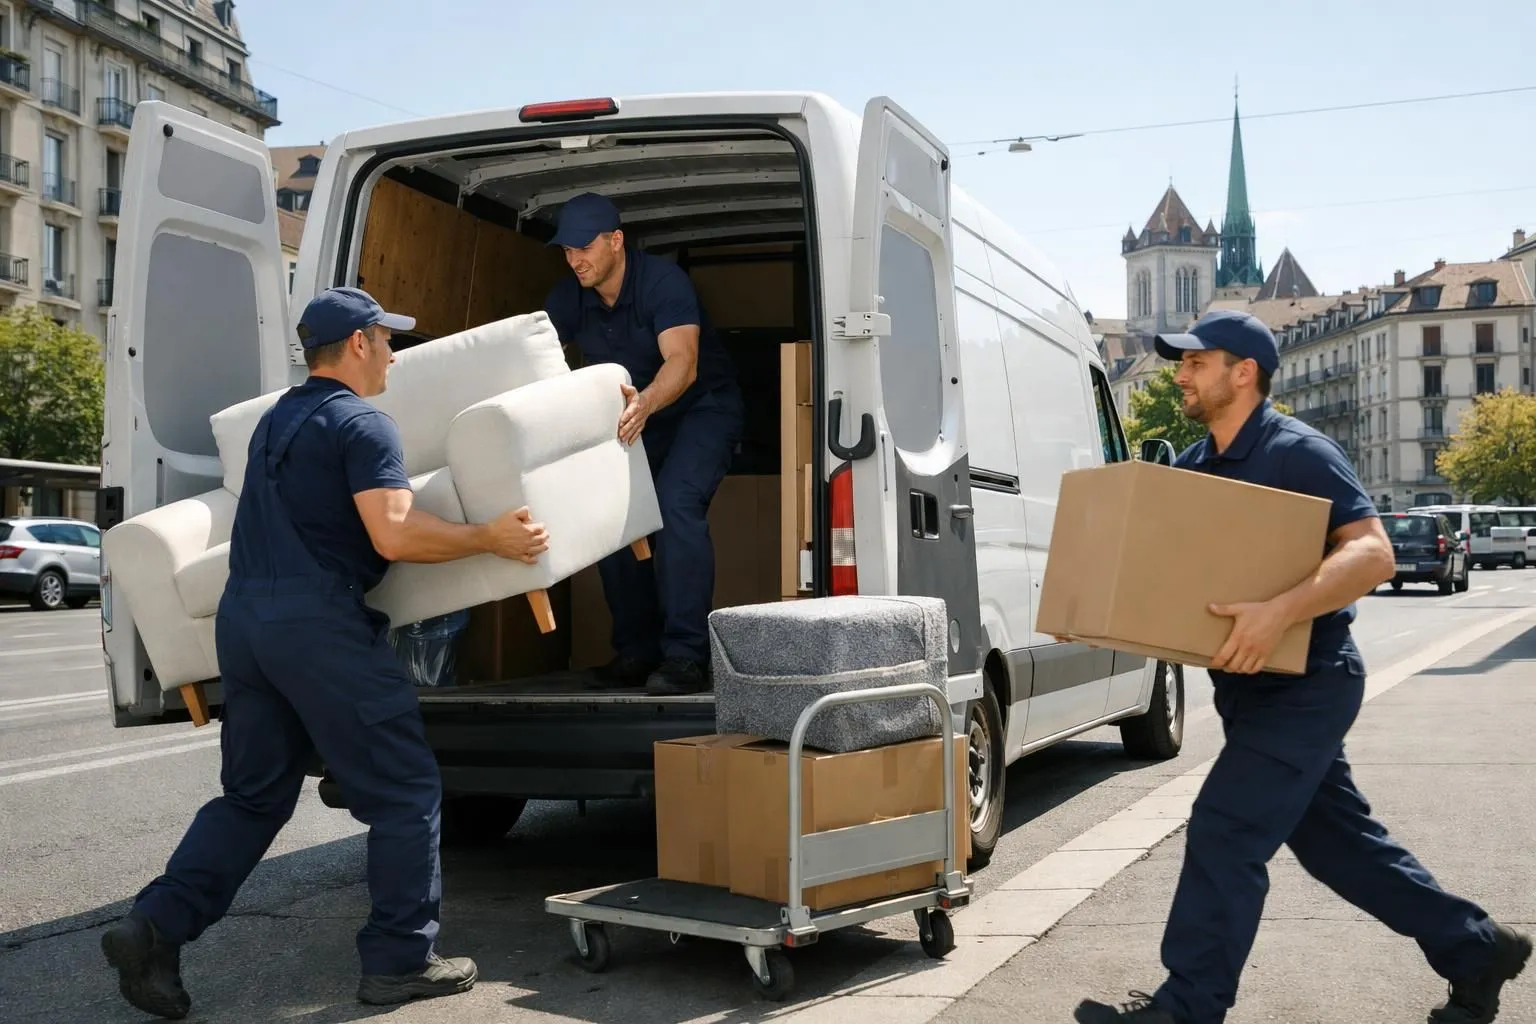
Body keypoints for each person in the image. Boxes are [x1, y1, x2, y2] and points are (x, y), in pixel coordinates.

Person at [100, 287, 551, 1020]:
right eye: (387, 340)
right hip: (317, 624)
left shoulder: (278, 420)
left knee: (253, 796)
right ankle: (401, 960)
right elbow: (395, 534)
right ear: (360, 343)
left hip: (246, 623)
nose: (395, 356)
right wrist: (488, 537)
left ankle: (153, 927)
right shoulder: (364, 422)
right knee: (406, 790)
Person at [1075, 309, 1530, 1024]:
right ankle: (1477, 948)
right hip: (1249, 695)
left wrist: (1280, 611)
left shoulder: (1298, 452)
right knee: (1341, 851)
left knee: (1225, 830)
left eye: (1196, 362)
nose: (1181, 375)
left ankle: (1187, 1010)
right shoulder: (1195, 467)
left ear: (1244, 371)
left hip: (1309, 687)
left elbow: (1374, 552)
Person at [543, 192, 745, 696]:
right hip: (639, 417)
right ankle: (636, 651)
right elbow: (535, 354)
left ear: (616, 241)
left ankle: (685, 657)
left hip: (701, 408)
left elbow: (683, 362)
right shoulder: (571, 295)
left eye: (583, 248)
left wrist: (646, 402)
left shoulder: (662, 284)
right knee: (615, 517)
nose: (575, 261)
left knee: (676, 505)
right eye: (566, 251)